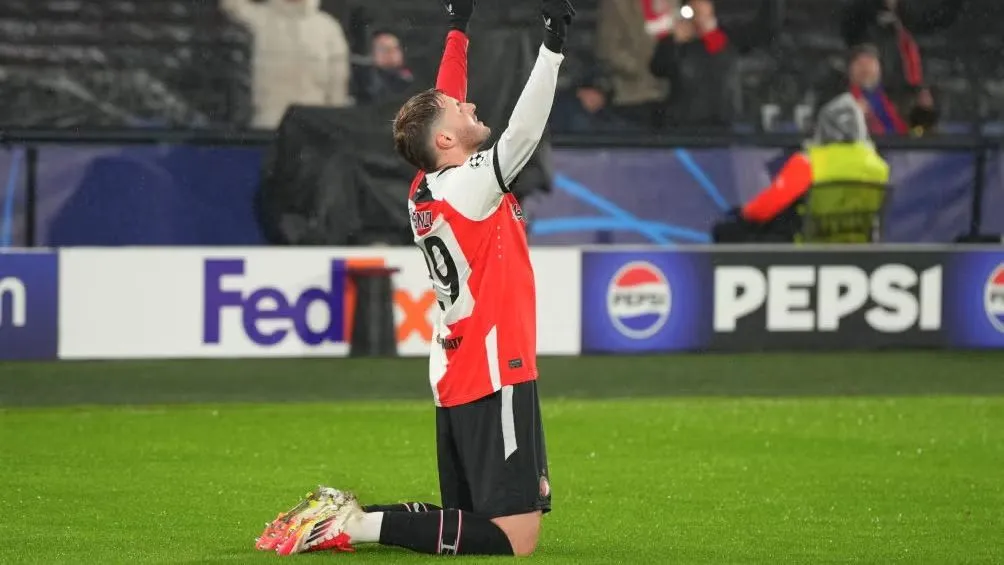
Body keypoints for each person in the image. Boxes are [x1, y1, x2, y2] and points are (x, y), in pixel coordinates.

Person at [252, 0, 575, 557]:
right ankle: (354, 526)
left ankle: (350, 517)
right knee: (513, 540)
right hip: (494, 367)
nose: (469, 103)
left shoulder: (428, 184)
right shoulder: (472, 184)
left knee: (470, 519)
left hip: (458, 364)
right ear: (446, 143)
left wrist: (457, 28)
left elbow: (440, 99)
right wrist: (552, 48)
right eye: (460, 110)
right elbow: (524, 132)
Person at [221, 0, 352, 128]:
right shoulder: (256, 19)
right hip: (266, 132)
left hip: (313, 136)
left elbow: (337, 98)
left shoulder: (329, 29)